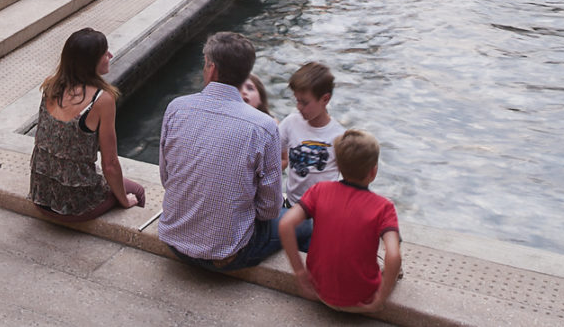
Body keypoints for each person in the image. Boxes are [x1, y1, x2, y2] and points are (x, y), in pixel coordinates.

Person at [158, 31, 284, 271]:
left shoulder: (176, 109)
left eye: (205, 65)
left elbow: (167, 179)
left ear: (212, 69)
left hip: (174, 242)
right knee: (304, 224)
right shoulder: (264, 127)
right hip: (229, 254)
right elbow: (269, 209)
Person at [279, 129, 402, 314]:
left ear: (337, 165)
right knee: (396, 267)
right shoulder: (384, 207)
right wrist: (380, 299)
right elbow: (393, 256)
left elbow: (285, 224)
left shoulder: (319, 190)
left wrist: (300, 273)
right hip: (362, 300)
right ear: (373, 171)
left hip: (319, 291)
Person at [31, 28, 147, 222]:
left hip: (41, 196)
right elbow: (110, 164)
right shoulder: (101, 100)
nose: (110, 55)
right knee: (137, 191)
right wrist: (125, 201)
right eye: (104, 53)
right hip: (75, 206)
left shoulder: (50, 85)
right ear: (90, 61)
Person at [280, 62, 344, 204]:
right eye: (297, 101)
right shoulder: (290, 123)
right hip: (293, 204)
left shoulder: (338, 136)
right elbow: (274, 153)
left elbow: (349, 180)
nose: (299, 107)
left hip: (322, 210)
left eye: (305, 102)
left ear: (325, 99)